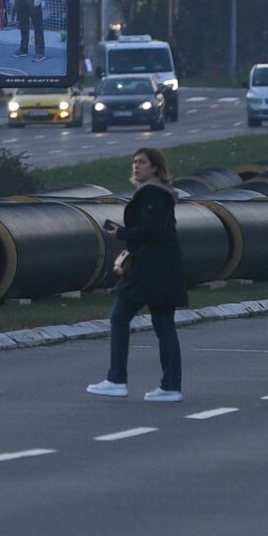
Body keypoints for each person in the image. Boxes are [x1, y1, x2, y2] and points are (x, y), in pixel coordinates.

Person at [89, 147, 185, 402]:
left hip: (149, 267)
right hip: (163, 266)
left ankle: (117, 379)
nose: (136, 166)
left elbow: (150, 229)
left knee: (119, 318)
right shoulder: (160, 193)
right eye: (134, 162)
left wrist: (120, 234)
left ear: (155, 167)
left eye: (142, 162)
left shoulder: (152, 193)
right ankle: (170, 386)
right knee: (164, 326)